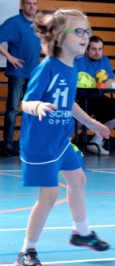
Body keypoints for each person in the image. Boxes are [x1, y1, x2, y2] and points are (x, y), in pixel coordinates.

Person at [16, 9, 110, 266]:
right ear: (59, 37)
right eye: (78, 31)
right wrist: (38, 107)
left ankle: (81, 232)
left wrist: (91, 123)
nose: (86, 36)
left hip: (61, 140)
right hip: (40, 143)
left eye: (87, 31)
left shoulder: (72, 67)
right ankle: (26, 250)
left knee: (78, 180)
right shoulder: (47, 67)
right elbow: (25, 102)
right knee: (49, 196)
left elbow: (68, 103)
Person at [0, 0, 41, 156]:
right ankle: (8, 143)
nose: (32, 6)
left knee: (32, 110)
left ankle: (26, 142)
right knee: (12, 109)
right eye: (29, 3)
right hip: (17, 73)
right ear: (22, 5)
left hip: (34, 74)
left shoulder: (37, 24)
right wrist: (9, 57)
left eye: (35, 3)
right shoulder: (14, 22)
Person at [75, 36, 115, 156]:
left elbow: (111, 80)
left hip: (97, 96)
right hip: (81, 96)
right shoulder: (79, 60)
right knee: (77, 119)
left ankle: (96, 141)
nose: (97, 53)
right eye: (94, 49)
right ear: (87, 49)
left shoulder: (105, 60)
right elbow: (78, 80)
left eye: (100, 49)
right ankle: (64, 144)